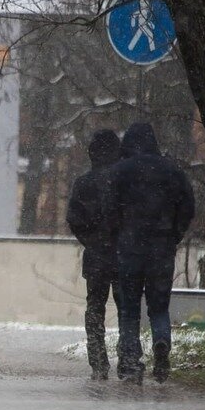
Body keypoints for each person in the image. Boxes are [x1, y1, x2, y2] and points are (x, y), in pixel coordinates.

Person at [107, 123, 195, 384]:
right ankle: (161, 341)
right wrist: (173, 233)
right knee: (159, 306)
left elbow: (109, 208)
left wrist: (119, 234)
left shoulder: (120, 171)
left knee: (129, 308)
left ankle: (132, 360)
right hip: (161, 247)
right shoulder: (172, 171)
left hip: (130, 247)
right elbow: (188, 207)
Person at [66, 129, 121, 380]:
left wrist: (90, 241)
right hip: (122, 254)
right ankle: (129, 354)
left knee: (95, 306)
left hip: (96, 254)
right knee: (126, 307)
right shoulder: (125, 182)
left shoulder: (84, 183)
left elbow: (74, 219)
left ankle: (98, 359)